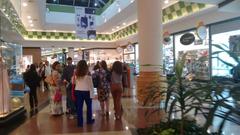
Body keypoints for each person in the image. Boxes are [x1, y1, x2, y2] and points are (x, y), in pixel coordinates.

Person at [72, 60, 95, 127]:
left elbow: (73, 82)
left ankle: (80, 123)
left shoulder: (76, 73)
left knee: (79, 108)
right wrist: (92, 94)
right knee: (89, 106)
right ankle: (89, 121)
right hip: (87, 91)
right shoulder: (88, 73)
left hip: (78, 91)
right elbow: (91, 85)